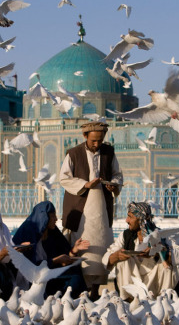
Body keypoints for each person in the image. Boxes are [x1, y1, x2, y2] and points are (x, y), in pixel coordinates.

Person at [59, 121, 123, 300]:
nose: (97, 144)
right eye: (94, 141)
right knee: (84, 246)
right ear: (85, 137)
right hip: (81, 211)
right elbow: (64, 178)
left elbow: (117, 174)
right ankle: (81, 288)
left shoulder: (109, 152)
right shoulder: (73, 153)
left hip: (102, 209)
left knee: (101, 246)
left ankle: (95, 289)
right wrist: (85, 184)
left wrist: (113, 185)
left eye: (100, 140)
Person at [102, 202, 179, 300]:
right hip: (133, 282)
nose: (127, 220)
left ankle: (163, 299)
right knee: (121, 259)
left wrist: (158, 251)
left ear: (141, 220)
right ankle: (127, 299)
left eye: (130, 217)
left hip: (154, 283)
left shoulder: (160, 235)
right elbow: (106, 259)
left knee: (168, 263)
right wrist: (117, 256)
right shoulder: (125, 235)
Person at [12, 201, 89, 299]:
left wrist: (74, 250)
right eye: (53, 216)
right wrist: (55, 261)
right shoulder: (28, 234)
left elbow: (62, 255)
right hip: (32, 279)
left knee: (75, 271)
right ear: (44, 217)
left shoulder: (52, 234)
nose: (56, 219)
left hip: (48, 273)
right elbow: (30, 266)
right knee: (74, 278)